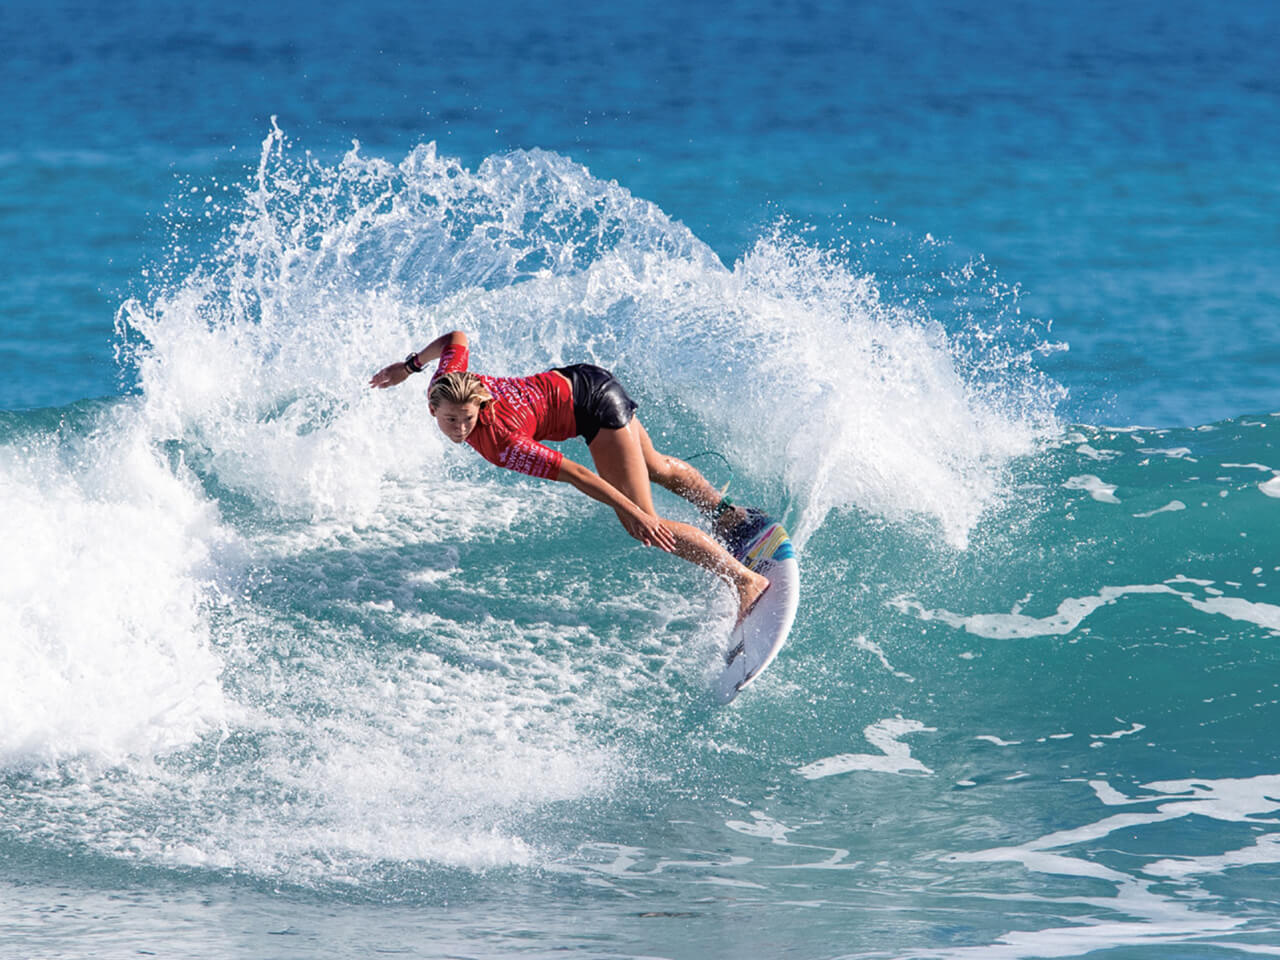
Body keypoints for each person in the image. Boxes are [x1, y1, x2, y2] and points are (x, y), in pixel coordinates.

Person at [369, 330, 769, 624]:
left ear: (478, 405)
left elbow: (577, 473)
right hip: (584, 378)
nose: (459, 428)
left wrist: (639, 515)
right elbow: (456, 339)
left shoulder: (503, 443)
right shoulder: (446, 384)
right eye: (450, 420)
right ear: (433, 409)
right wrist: (409, 368)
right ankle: (727, 515)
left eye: (467, 419)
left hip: (592, 406)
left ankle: (744, 580)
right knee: (655, 466)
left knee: (645, 525)